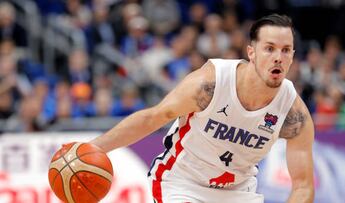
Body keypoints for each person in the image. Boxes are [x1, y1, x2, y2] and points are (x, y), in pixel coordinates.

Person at [90, 14, 314, 203]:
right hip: (183, 183)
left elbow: (303, 186)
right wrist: (94, 148)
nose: (278, 57)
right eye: (269, 49)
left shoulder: (294, 113)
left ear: (293, 56)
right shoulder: (212, 82)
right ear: (252, 52)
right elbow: (153, 117)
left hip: (238, 192)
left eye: (286, 50)